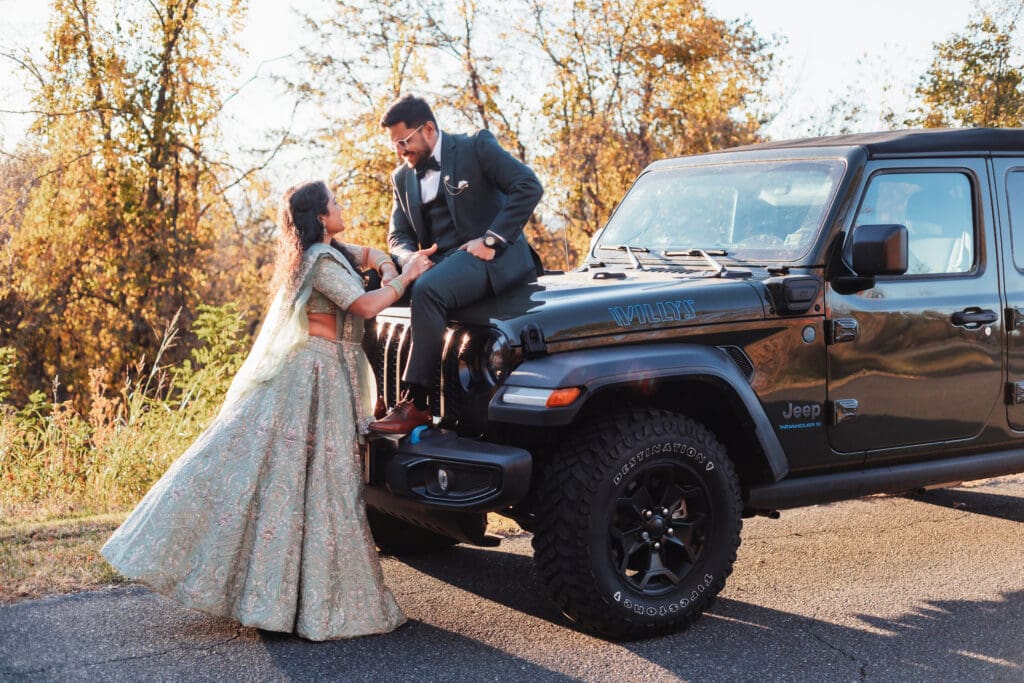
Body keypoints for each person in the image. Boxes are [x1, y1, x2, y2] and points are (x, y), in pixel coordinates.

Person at [101, 180, 436, 641]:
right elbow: (363, 305)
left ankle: (282, 601)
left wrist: (380, 259)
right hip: (313, 378)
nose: (343, 206)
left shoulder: (325, 248)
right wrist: (406, 274)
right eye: (336, 203)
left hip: (328, 374)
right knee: (305, 482)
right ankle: (285, 600)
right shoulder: (319, 261)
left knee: (306, 484)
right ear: (320, 216)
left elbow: (363, 253)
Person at [370, 94, 544, 433]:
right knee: (368, 290)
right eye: (394, 145)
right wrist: (409, 260)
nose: (400, 151)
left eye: (404, 141)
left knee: (428, 290)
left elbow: (528, 185)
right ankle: (378, 394)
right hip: (441, 264)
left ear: (429, 129)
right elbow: (398, 236)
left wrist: (491, 239)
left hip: (491, 260)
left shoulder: (474, 146)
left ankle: (417, 402)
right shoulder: (401, 178)